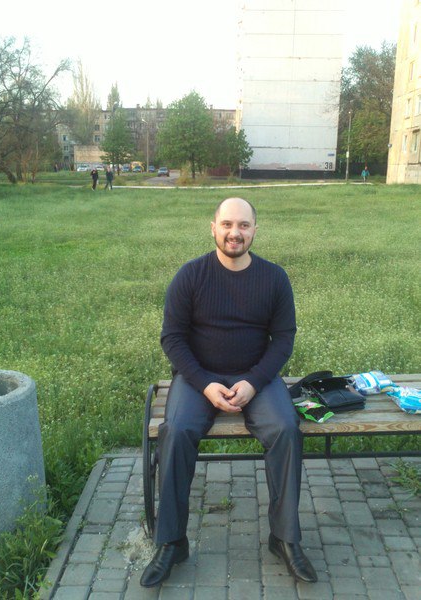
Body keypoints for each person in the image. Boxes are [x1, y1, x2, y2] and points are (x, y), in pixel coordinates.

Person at [140, 197, 317, 588]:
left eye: (244, 225)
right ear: (213, 228)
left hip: (256, 378)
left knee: (286, 429)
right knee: (176, 431)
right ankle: (172, 541)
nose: (235, 233)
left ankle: (284, 538)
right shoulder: (191, 275)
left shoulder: (274, 278)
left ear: (255, 230)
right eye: (227, 224)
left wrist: (253, 382)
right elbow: (172, 337)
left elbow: (283, 339)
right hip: (199, 379)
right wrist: (205, 383)